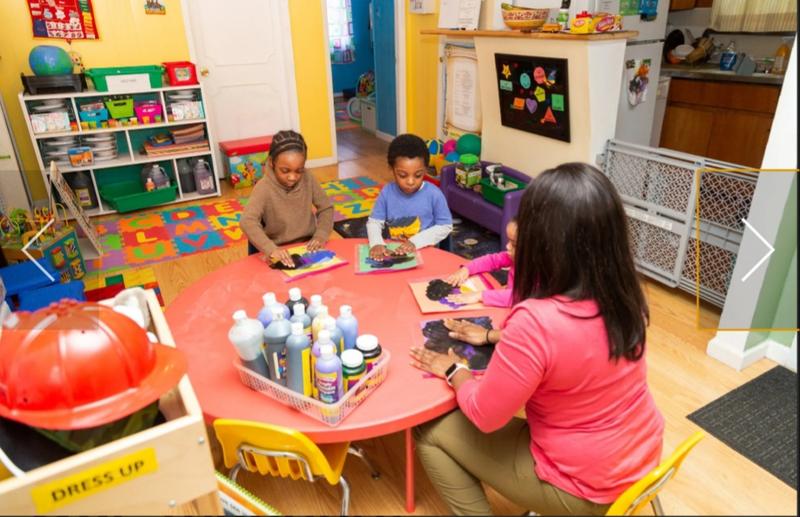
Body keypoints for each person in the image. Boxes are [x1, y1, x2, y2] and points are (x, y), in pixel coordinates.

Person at [409, 162, 664, 516]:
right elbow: (572, 350)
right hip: (642, 457)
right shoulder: (625, 295)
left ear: (545, 241)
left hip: (585, 488)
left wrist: (454, 370)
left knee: (429, 433)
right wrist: (492, 334)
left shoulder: (536, 320)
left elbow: (485, 415)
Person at [241, 130, 333, 267]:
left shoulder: (308, 178)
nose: (292, 177)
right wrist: (271, 249)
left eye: (299, 171)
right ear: (272, 162)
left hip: (306, 245)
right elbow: (247, 221)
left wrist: (321, 235)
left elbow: (326, 207)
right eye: (285, 171)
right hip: (277, 248)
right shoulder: (264, 187)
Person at [367, 134, 452, 260]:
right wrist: (377, 243)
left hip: (426, 252)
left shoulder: (434, 194)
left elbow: (445, 226)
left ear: (425, 169)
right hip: (395, 253)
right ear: (392, 169)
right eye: (402, 175)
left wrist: (415, 242)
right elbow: (374, 222)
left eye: (418, 175)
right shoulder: (387, 192)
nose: (411, 182)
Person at [444, 219, 517, 308]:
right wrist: (467, 269)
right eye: (508, 241)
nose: (507, 246)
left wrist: (479, 295)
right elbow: (491, 260)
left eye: (514, 244)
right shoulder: (514, 257)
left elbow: (518, 298)